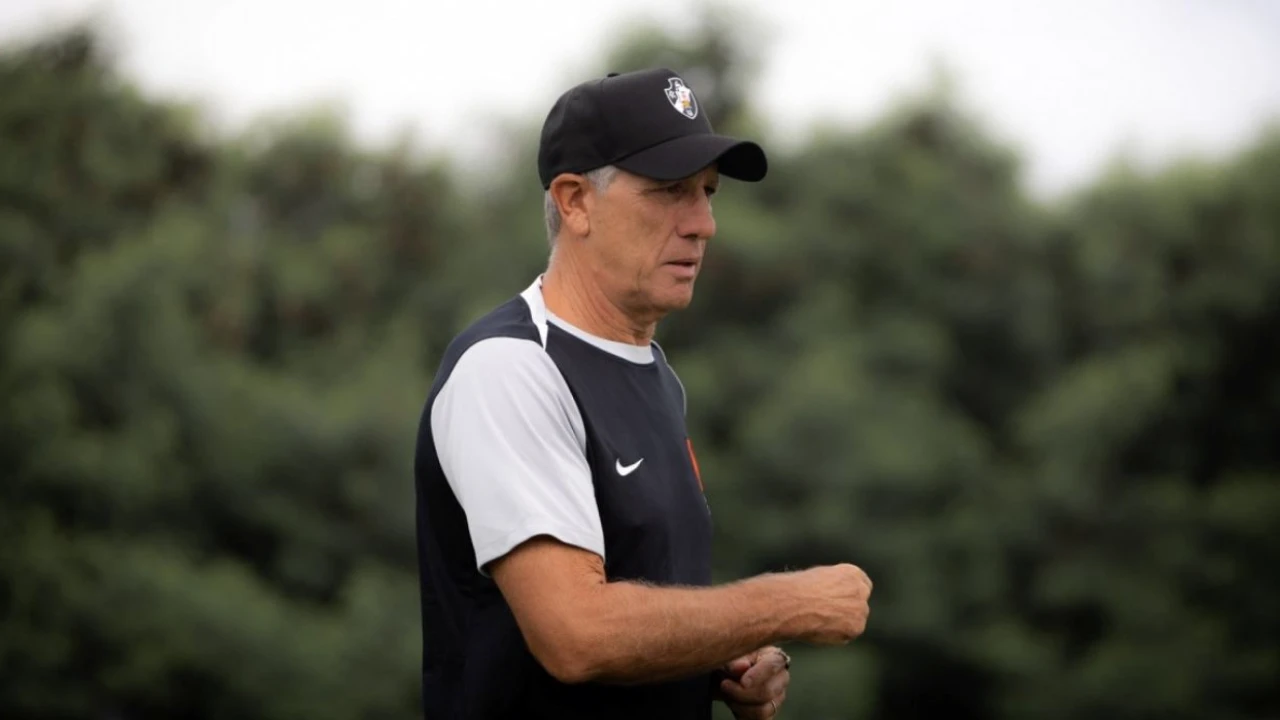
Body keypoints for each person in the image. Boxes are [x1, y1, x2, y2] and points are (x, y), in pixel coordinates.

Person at [413, 67, 873, 720]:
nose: (704, 224)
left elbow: (631, 598)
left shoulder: (654, 370)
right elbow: (577, 634)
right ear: (575, 201)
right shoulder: (510, 370)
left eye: (709, 193)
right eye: (670, 192)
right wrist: (787, 603)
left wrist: (722, 659)